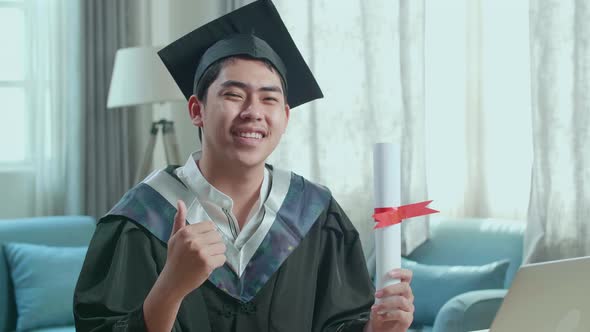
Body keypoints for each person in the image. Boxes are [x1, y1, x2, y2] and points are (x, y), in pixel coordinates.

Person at [74, 1, 414, 331]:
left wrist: (376, 328)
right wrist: (171, 286)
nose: (254, 111)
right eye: (234, 95)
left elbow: (340, 324)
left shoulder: (315, 213)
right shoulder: (142, 218)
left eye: (269, 98)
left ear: (285, 116)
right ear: (196, 110)